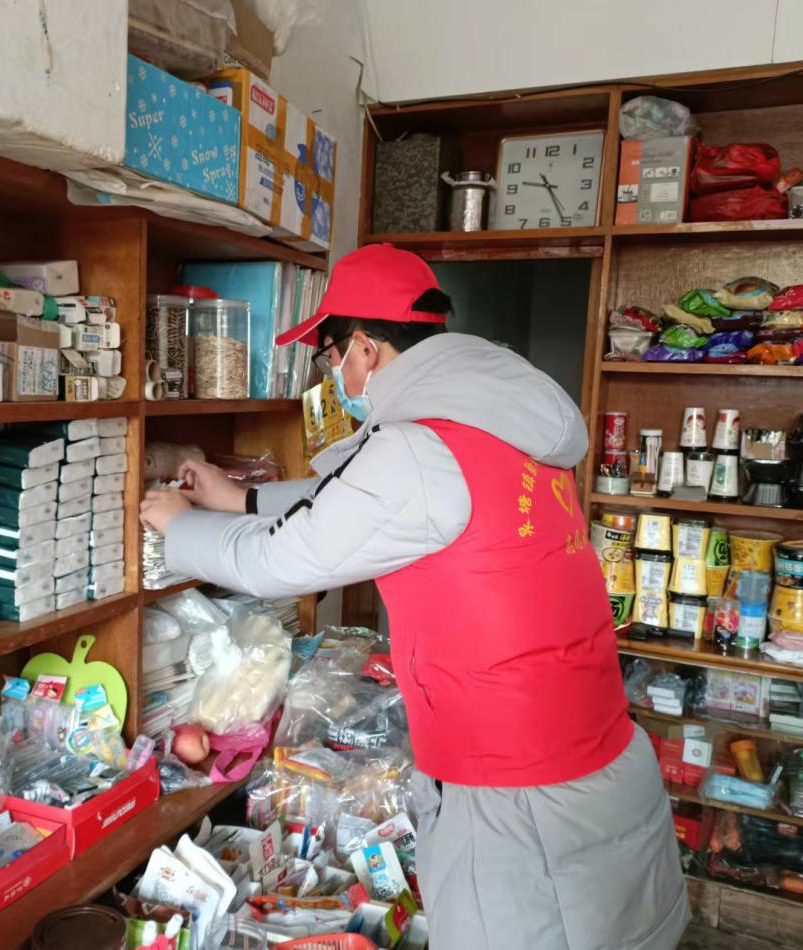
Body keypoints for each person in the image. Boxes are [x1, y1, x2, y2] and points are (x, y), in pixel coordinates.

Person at [140, 244, 689, 949]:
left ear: (364, 349)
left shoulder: (418, 447)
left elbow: (282, 560)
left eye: (330, 356)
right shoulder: (493, 419)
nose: (333, 374)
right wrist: (240, 498)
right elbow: (360, 498)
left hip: (514, 790)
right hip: (590, 751)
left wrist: (179, 526)